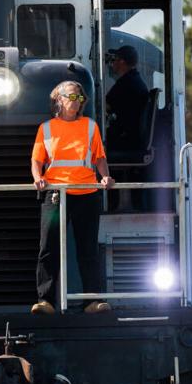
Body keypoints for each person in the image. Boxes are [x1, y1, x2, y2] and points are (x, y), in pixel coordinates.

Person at [31, 80, 115, 314]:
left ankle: (92, 301)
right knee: (48, 248)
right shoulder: (46, 128)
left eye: (79, 98)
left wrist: (106, 177)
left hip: (87, 194)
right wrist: (38, 177)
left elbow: (99, 157)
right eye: (71, 97)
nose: (75, 102)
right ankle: (45, 301)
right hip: (56, 195)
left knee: (87, 249)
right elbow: (36, 160)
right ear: (58, 99)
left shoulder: (90, 126)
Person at [103, 45, 148, 152]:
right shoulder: (133, 79)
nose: (112, 63)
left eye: (114, 59)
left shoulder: (126, 83)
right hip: (131, 139)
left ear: (122, 62)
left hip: (125, 141)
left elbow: (103, 106)